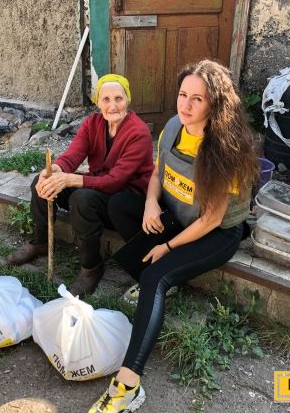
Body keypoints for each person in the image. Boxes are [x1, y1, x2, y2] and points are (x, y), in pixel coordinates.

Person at [88, 60, 260, 412]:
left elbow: (211, 219)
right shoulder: (172, 127)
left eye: (198, 99)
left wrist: (167, 247)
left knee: (155, 276)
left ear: (215, 104)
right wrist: (151, 204)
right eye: (183, 95)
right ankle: (163, 279)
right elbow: (157, 174)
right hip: (177, 216)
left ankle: (128, 385)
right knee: (121, 205)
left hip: (215, 233)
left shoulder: (225, 147)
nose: (186, 105)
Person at [7, 74, 154, 297]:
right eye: (106, 99)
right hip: (98, 189)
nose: (113, 106)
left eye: (118, 98)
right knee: (42, 181)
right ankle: (40, 242)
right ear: (98, 102)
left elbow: (116, 180)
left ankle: (91, 266)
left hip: (124, 200)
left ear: (127, 100)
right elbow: (73, 155)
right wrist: (55, 169)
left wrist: (71, 179)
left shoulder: (138, 132)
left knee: (82, 198)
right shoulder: (92, 124)